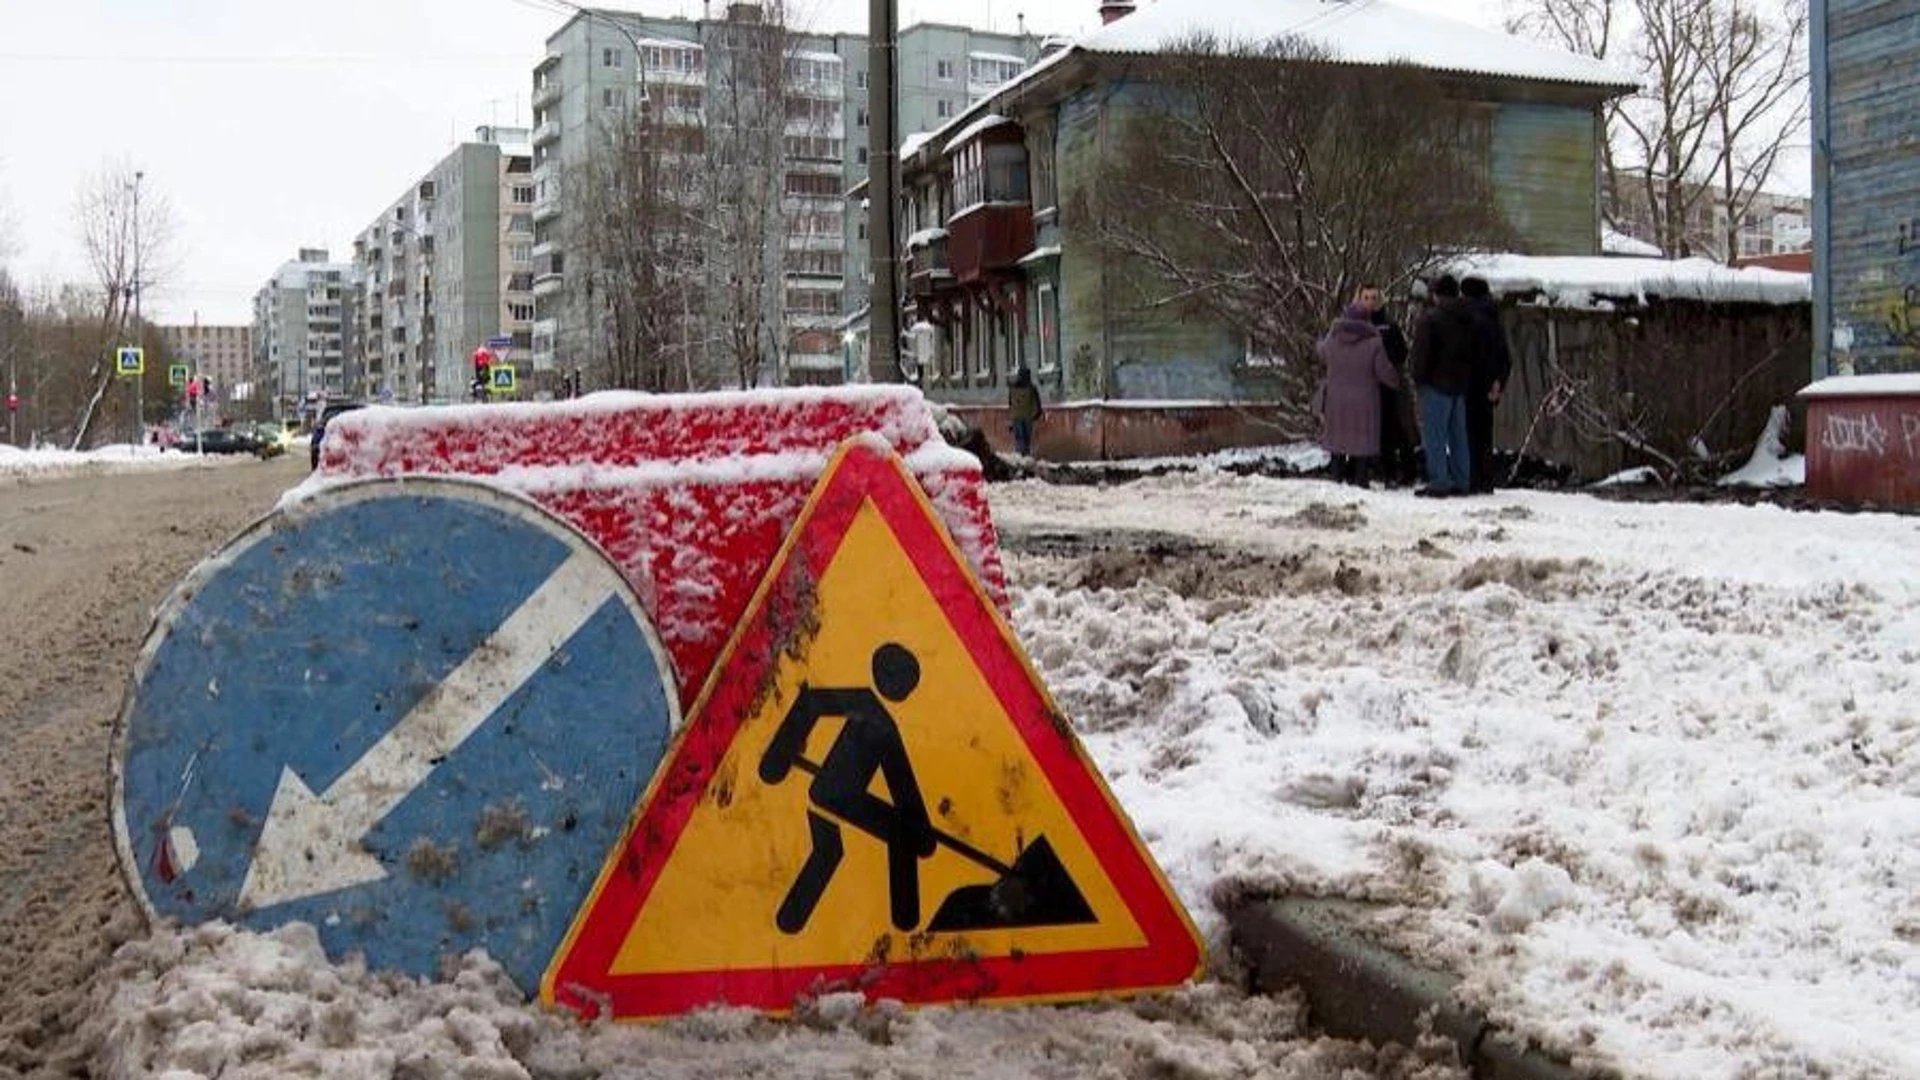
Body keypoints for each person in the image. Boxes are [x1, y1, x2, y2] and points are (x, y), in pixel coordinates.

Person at [1315, 301, 1402, 488]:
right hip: (1365, 401)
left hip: (1336, 401)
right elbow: (1385, 373)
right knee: (1362, 443)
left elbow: (1320, 352)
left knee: (1337, 441)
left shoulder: (1333, 340)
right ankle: (1360, 481)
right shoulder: (1374, 343)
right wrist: (1398, 380)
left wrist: (1323, 336)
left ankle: (1336, 480)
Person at [1409, 274, 1481, 497]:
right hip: (1459, 385)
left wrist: (1417, 378)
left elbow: (1421, 355)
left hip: (1435, 384)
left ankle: (1439, 481)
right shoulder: (1469, 318)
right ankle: (1462, 479)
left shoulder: (1430, 319)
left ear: (1436, 294)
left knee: (1435, 435)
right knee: (1459, 435)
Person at [1355, 284, 1418, 486]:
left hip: (1390, 384)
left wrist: (1389, 368)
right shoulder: (1356, 325)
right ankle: (1384, 470)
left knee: (1397, 428)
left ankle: (1403, 472)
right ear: (1360, 299)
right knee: (1379, 431)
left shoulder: (1389, 324)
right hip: (1367, 384)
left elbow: (1401, 351)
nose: (1371, 302)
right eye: (1367, 297)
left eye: (1374, 297)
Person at [1459, 276, 1513, 493]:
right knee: (1484, 434)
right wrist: (1498, 382)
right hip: (1489, 386)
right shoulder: (1493, 318)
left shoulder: (1468, 319)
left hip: (1469, 383)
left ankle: (1473, 479)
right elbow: (1505, 357)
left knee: (1468, 433)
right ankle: (1485, 479)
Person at [1007, 366, 1042, 457]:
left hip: (1016, 417)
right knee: (1026, 438)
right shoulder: (1031, 388)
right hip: (1028, 417)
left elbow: (1010, 403)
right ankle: (1025, 455)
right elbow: (1036, 402)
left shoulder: (1013, 388)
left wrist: (1012, 415)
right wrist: (1037, 414)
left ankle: (1019, 454)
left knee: (1019, 437)